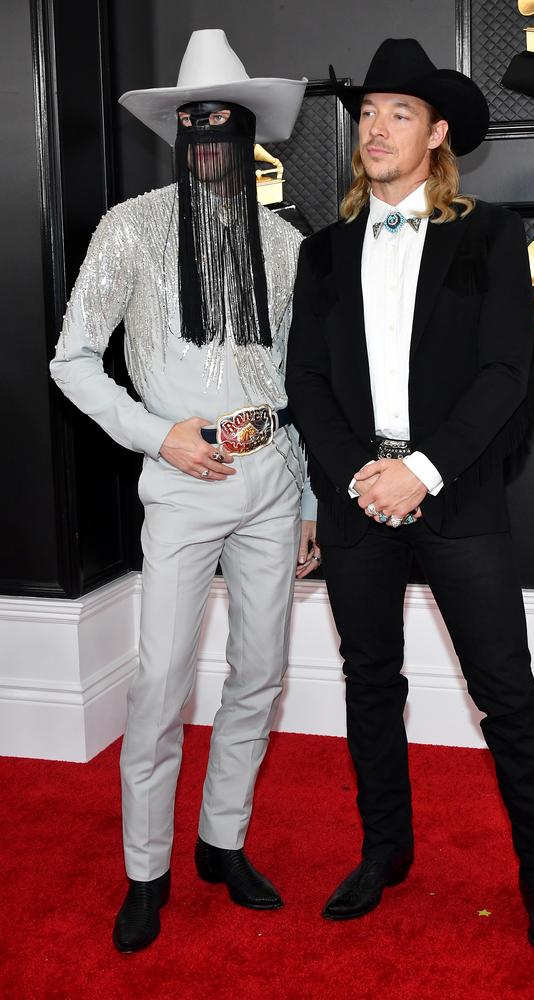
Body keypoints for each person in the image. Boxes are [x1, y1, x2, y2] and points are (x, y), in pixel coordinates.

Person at [286, 37, 534, 959]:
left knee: (506, 693)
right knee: (371, 683)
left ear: (438, 132)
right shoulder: (322, 251)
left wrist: (424, 470)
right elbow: (306, 383)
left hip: (457, 496)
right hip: (357, 498)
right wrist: (358, 478)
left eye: (399, 113)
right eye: (368, 113)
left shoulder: (493, 232)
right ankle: (384, 853)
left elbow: (505, 374)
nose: (376, 128)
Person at [50, 29, 320, 953]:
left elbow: (302, 382)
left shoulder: (285, 242)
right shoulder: (128, 226)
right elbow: (72, 360)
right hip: (177, 479)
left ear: (251, 133)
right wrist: (155, 433)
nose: (209, 131)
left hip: (273, 480)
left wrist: (313, 498)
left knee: (261, 675)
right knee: (161, 680)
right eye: (193, 118)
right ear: (176, 130)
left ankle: (223, 841)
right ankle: (145, 867)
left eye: (227, 119)